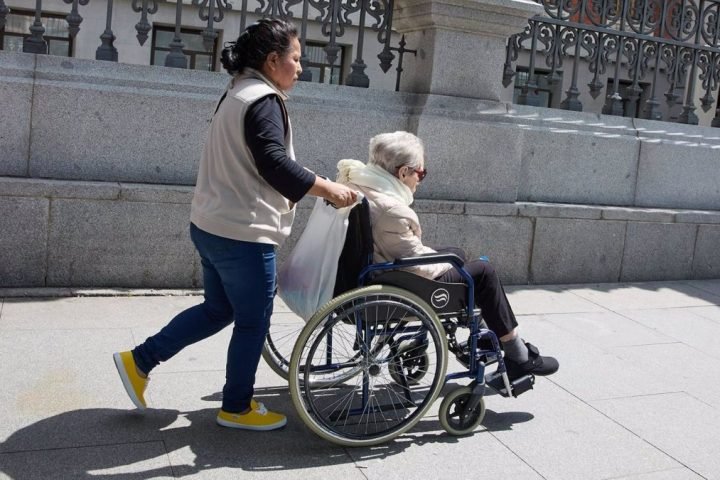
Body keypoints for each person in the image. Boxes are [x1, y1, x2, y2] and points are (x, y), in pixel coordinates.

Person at [112, 18, 357, 431]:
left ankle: (139, 361)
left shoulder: (238, 92)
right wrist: (328, 190)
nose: (300, 68)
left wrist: (316, 179)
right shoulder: (263, 99)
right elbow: (274, 165)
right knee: (252, 321)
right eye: (296, 59)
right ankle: (237, 407)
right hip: (243, 234)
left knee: (218, 309)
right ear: (273, 59)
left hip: (212, 225)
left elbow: (259, 161)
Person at [336, 131, 558, 380]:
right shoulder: (393, 211)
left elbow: (403, 249)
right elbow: (418, 266)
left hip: (367, 270)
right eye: (420, 173)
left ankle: (487, 335)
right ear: (403, 173)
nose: (420, 180)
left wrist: (450, 258)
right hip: (389, 281)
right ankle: (518, 355)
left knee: (459, 254)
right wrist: (448, 262)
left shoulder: (357, 185)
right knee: (484, 272)